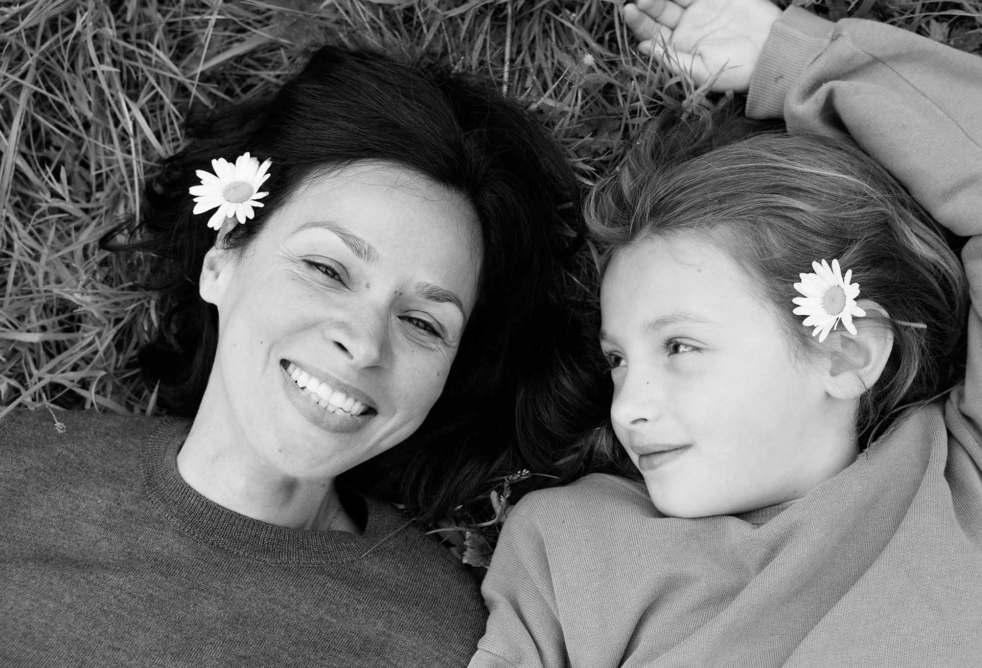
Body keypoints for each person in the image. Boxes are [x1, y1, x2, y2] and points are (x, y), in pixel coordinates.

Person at [468, 0, 982, 667]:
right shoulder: (573, 547)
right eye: (618, 359)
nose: (628, 405)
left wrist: (793, 60)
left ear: (846, 352)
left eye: (680, 347)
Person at [0, 46, 600, 667]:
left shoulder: (455, 647)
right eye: (326, 268)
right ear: (224, 257)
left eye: (423, 322)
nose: (366, 342)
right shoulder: (17, 464)